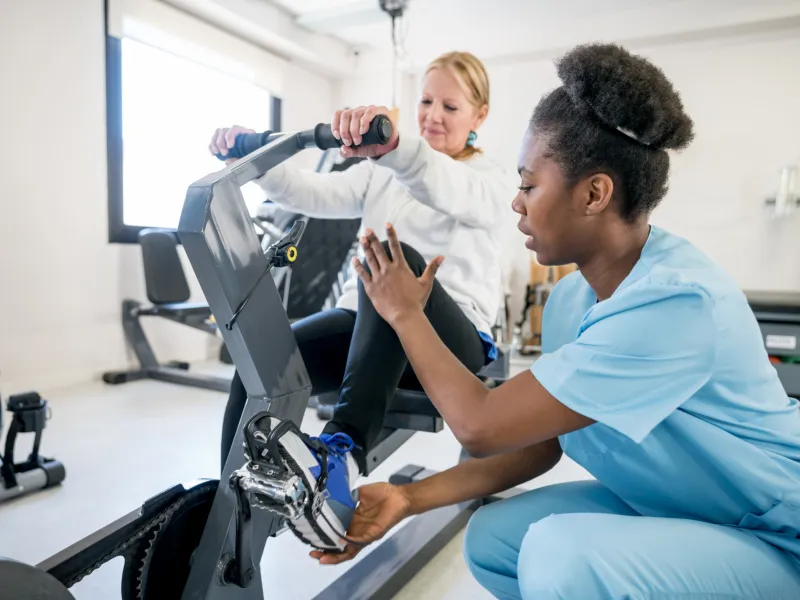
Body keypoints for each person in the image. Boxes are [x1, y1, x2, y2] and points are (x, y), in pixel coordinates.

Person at [306, 42, 800, 598]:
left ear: (594, 194)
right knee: (495, 539)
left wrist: (404, 313)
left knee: (558, 554)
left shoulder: (677, 303)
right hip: (675, 505)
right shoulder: (570, 301)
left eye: (528, 185)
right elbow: (542, 443)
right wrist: (408, 498)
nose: (516, 203)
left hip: (774, 532)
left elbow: (481, 426)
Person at [209, 52, 511, 550]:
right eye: (426, 101)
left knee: (395, 264)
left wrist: (395, 148)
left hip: (451, 343)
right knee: (260, 367)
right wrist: (256, 159)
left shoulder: (491, 179)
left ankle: (340, 458)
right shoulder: (384, 171)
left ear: (480, 115)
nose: (433, 115)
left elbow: (441, 183)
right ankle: (228, 509)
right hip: (368, 323)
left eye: (450, 107)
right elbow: (314, 193)